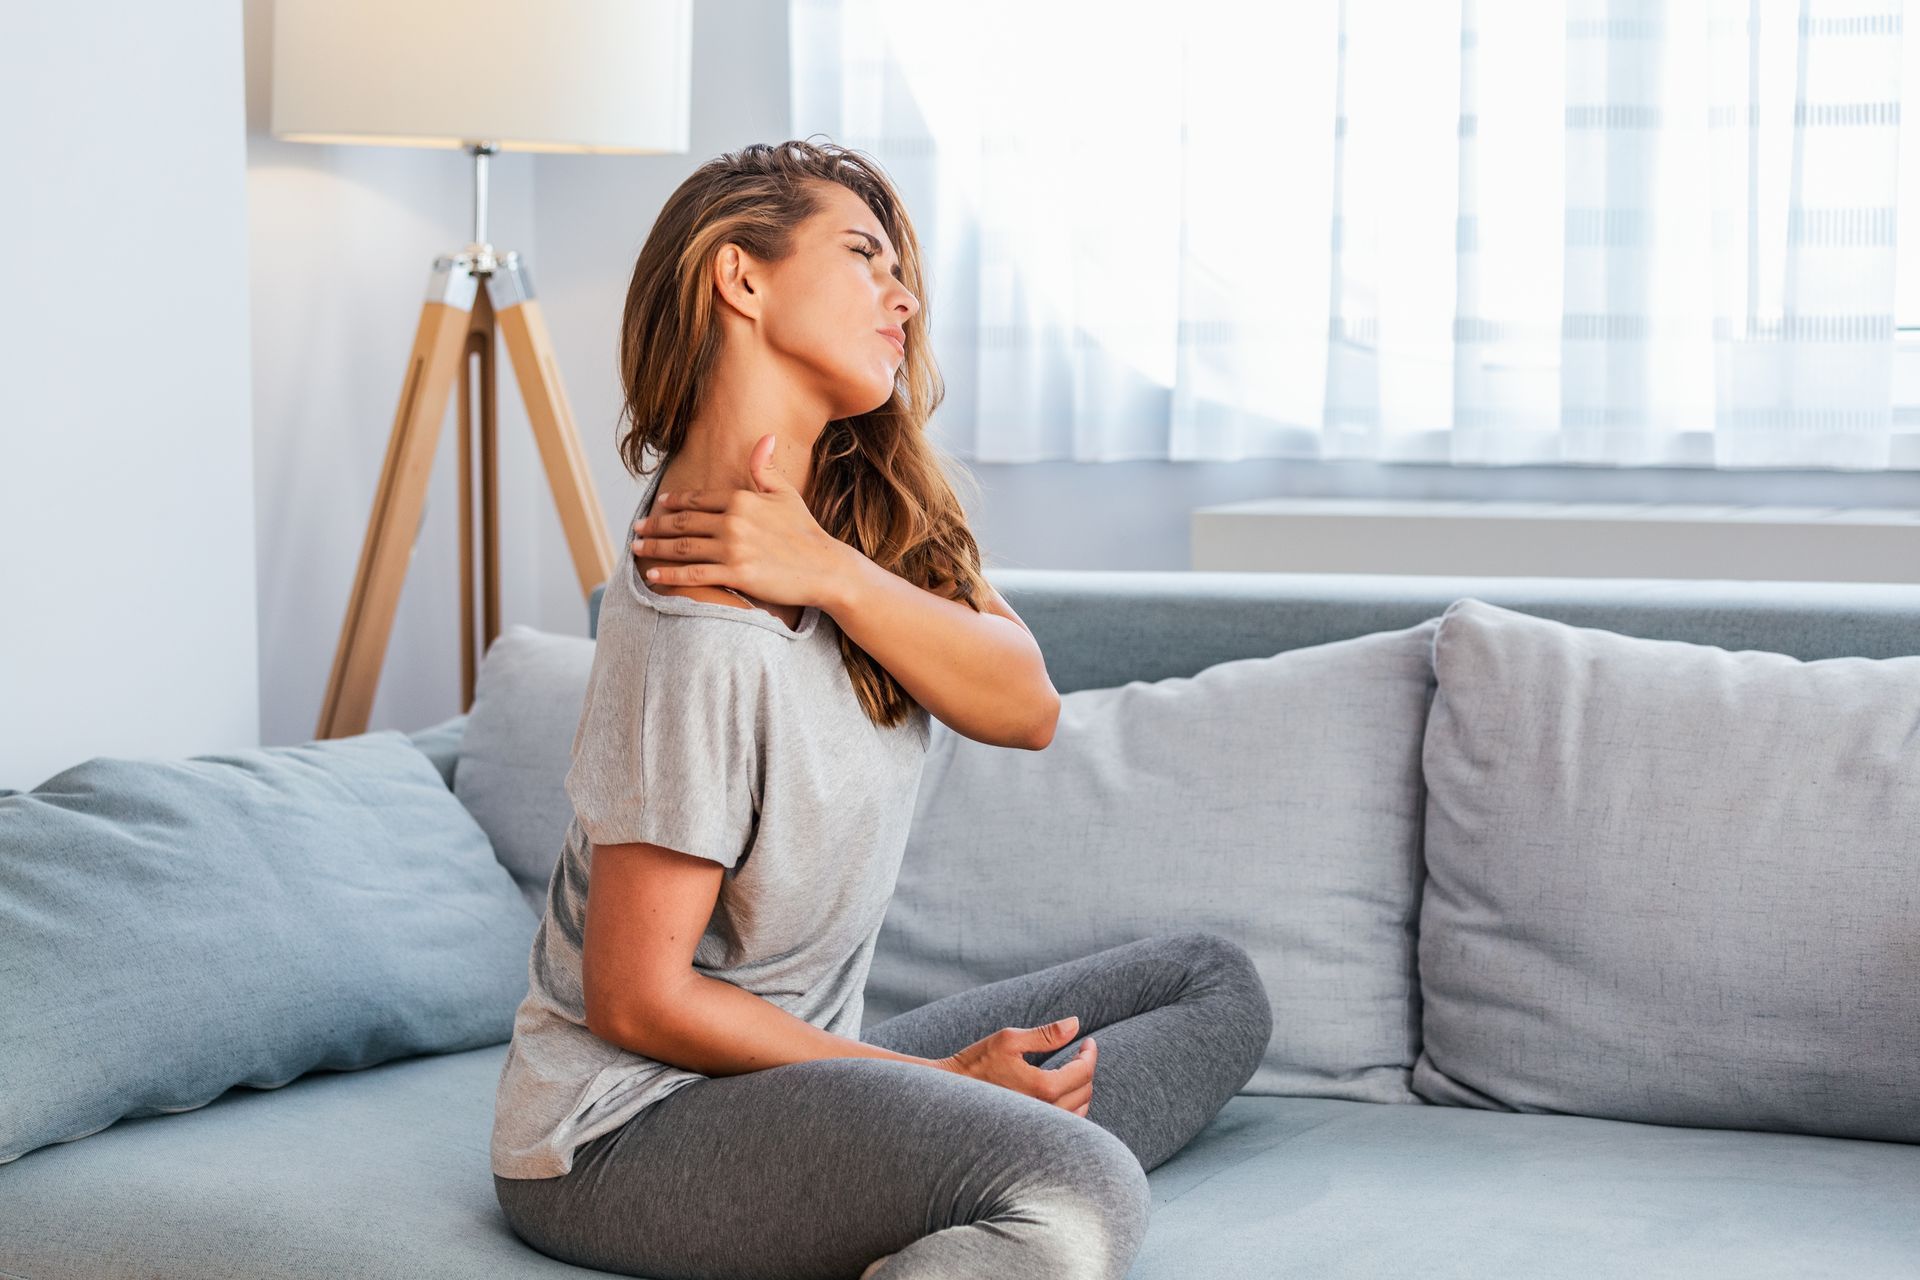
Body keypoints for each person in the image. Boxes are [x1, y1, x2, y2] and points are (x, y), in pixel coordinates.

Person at [489, 137, 1273, 1280]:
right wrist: (947, 1089)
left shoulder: (858, 521)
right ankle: (983, 1185)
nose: (903, 295)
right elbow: (636, 996)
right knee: (1080, 1181)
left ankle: (945, 1190)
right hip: (621, 1133)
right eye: (864, 255)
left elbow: (1027, 703)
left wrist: (831, 570)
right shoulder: (691, 610)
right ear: (741, 277)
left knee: (1212, 982)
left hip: (797, 1076)